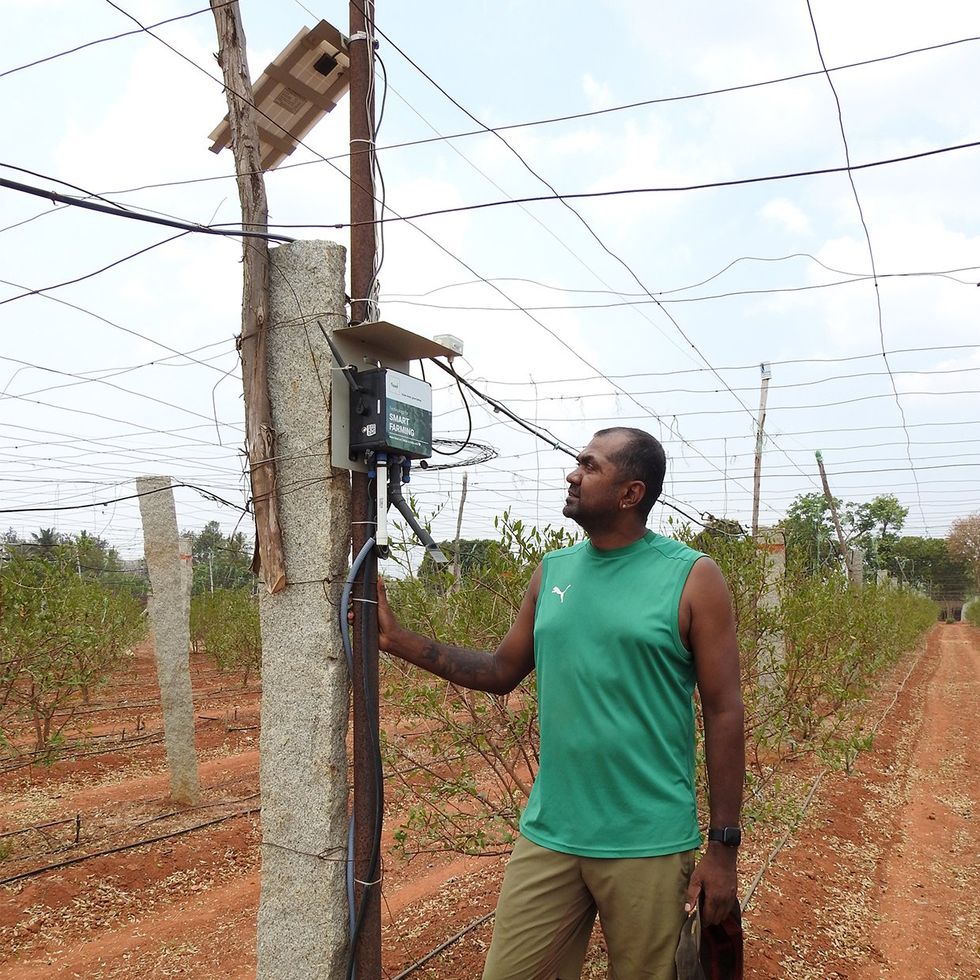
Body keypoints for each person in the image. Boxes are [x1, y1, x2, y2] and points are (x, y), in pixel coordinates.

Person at [375, 427, 745, 980]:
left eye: (589, 466)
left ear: (630, 493)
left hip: (647, 843)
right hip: (551, 834)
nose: (573, 474)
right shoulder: (553, 571)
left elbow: (724, 712)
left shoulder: (692, 577)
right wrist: (398, 640)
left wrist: (723, 848)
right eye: (578, 463)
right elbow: (501, 671)